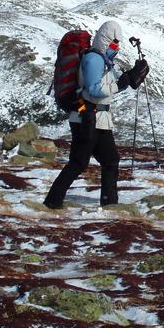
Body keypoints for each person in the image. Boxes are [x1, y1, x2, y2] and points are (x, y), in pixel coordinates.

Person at [44, 19, 149, 209]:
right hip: (87, 116)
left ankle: (110, 205)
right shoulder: (94, 59)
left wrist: (131, 76)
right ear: (105, 39)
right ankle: (52, 202)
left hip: (97, 118)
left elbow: (108, 87)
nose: (116, 46)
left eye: (117, 42)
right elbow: (94, 89)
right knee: (78, 162)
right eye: (113, 42)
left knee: (110, 160)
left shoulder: (103, 60)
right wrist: (121, 84)